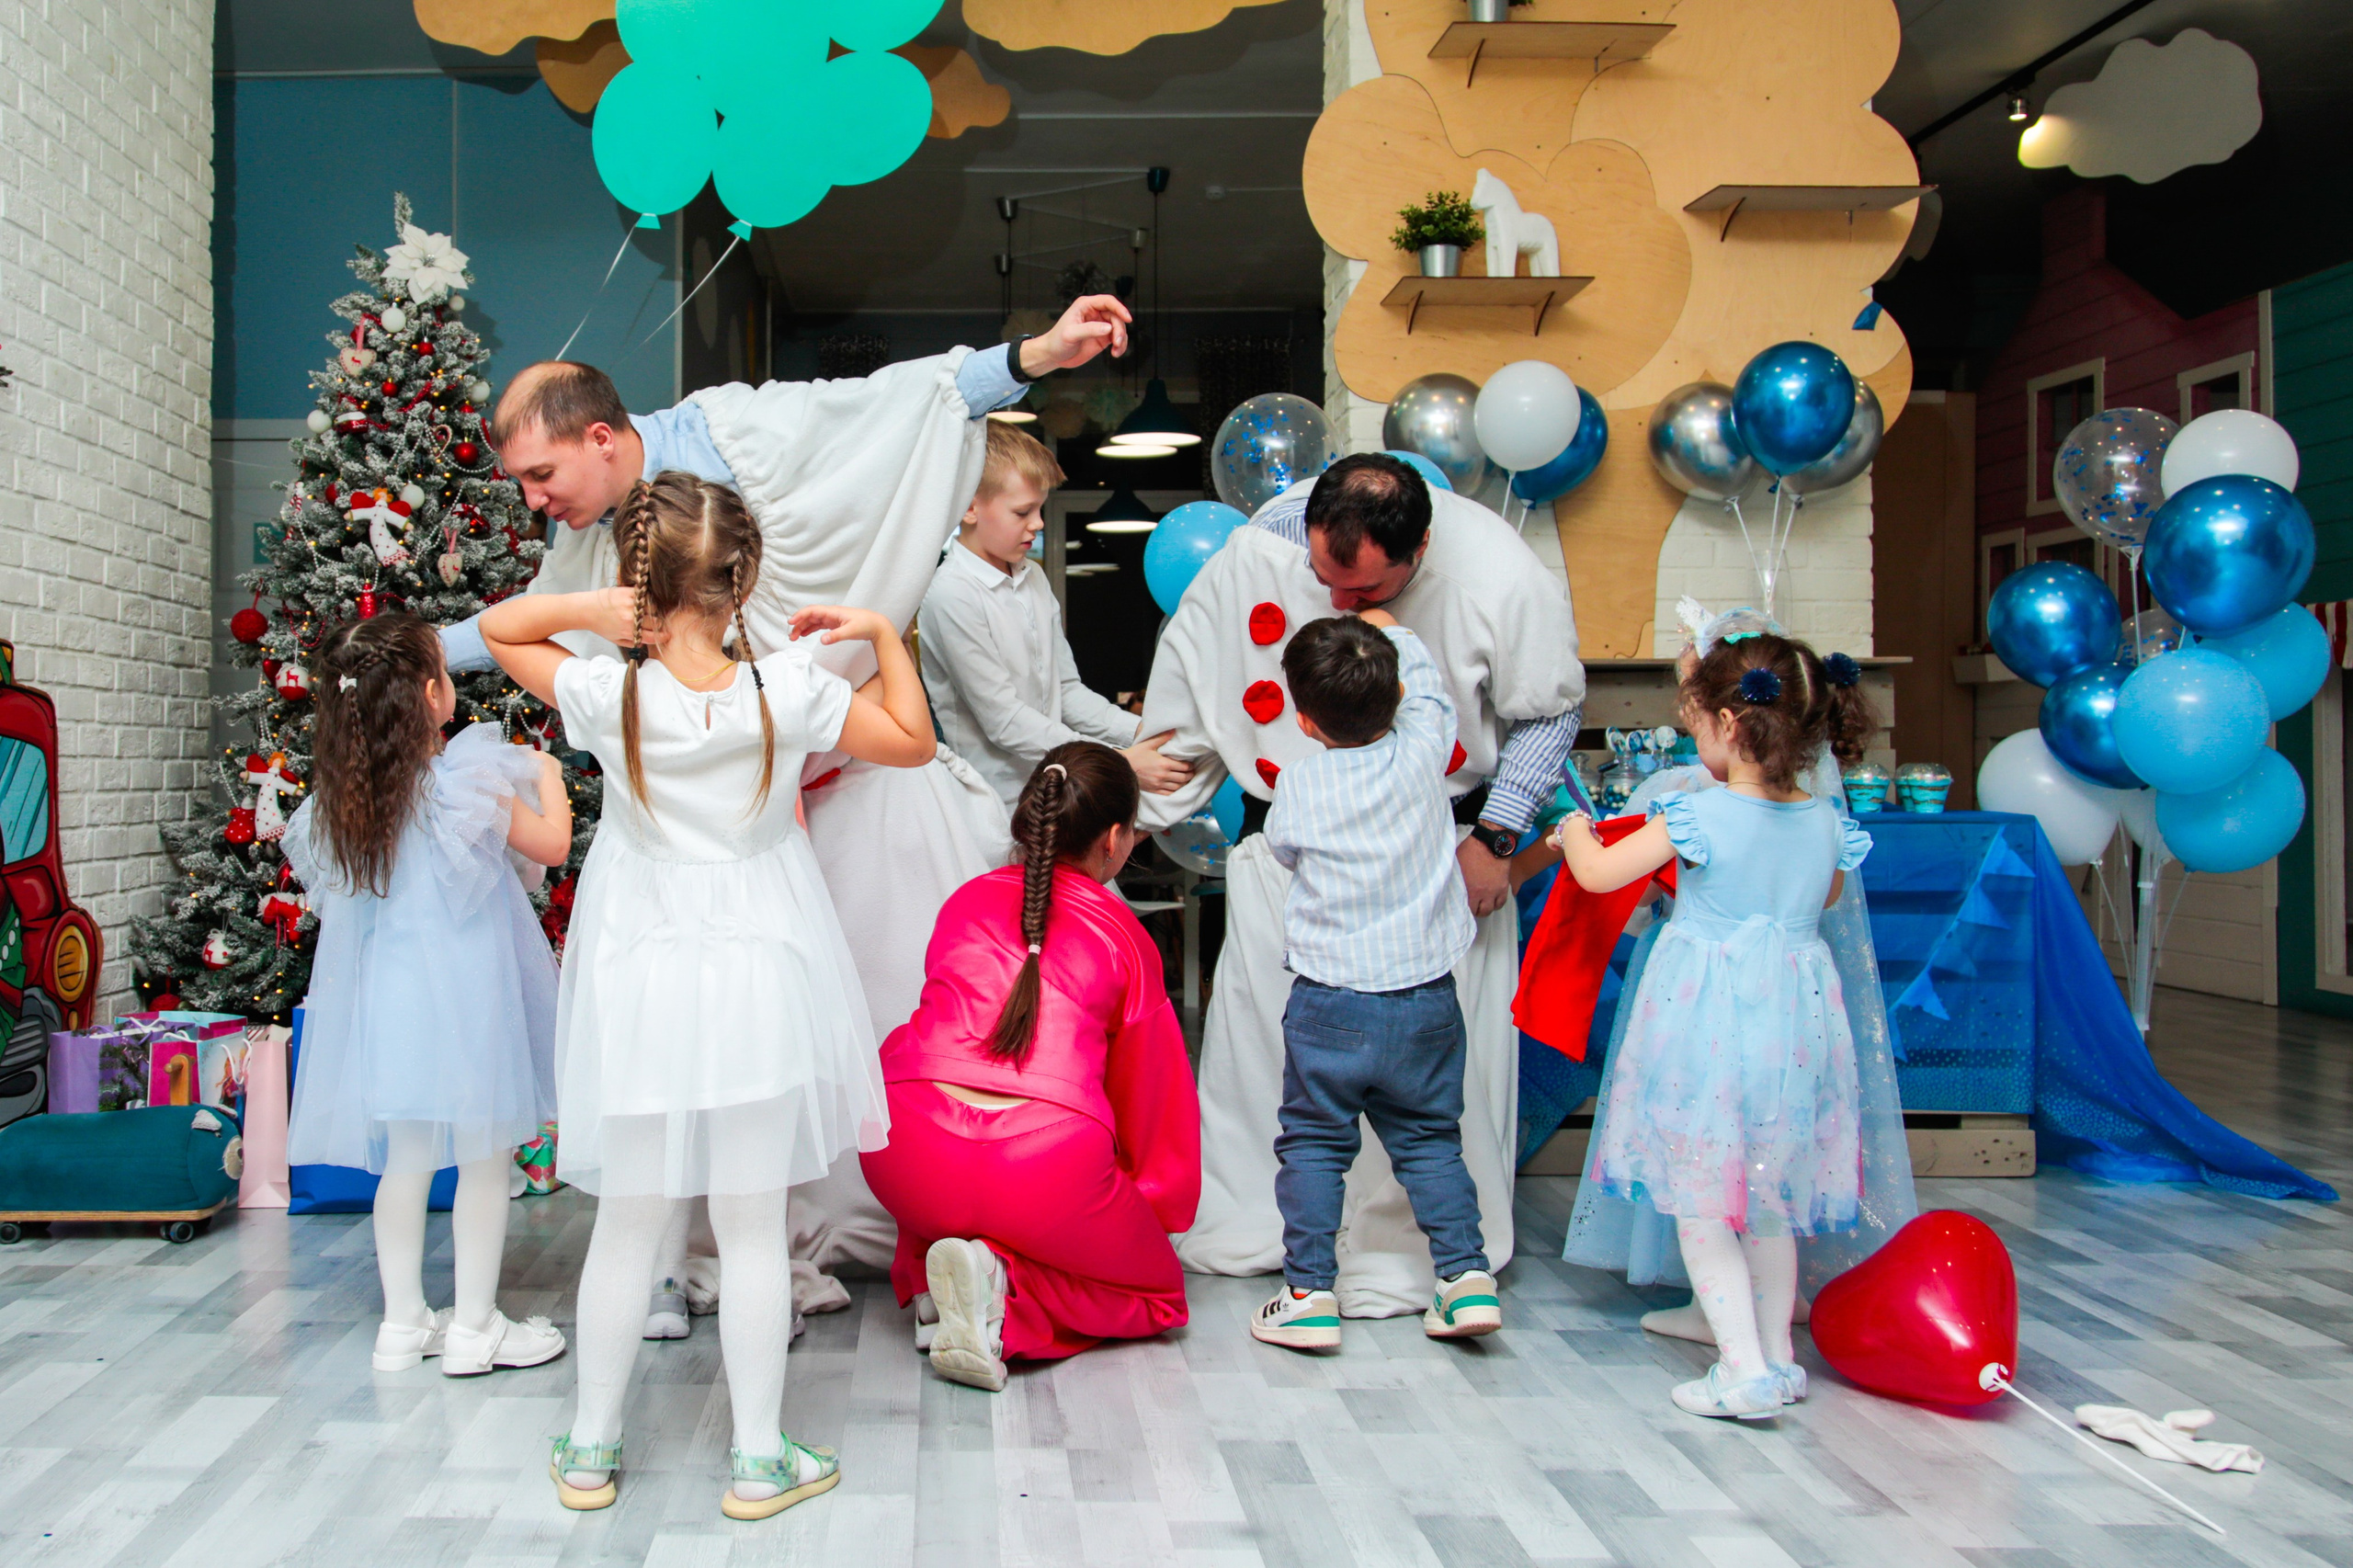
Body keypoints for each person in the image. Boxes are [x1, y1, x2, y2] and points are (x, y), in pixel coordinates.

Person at [480, 473, 938, 1518]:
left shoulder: (610, 693)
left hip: (643, 972)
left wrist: (590, 614)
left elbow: (502, 628)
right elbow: (912, 739)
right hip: (761, 971)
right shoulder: (791, 689)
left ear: (640, 578)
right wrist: (881, 631)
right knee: (748, 1223)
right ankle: (758, 1456)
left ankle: (591, 1449)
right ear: (743, 580)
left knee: (628, 1224)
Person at [1136, 454, 1584, 1315]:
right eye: (1324, 582)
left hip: (1447, 847)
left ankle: (1340, 1274)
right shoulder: (1270, 539)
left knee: (1331, 1123)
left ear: (1420, 548)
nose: (1341, 605)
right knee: (1407, 1119)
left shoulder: (1499, 576)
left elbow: (1550, 709)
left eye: (1365, 589)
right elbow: (1210, 649)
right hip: (1392, 941)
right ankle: (1441, 1270)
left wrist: (1496, 836)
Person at [1546, 601, 1917, 1343]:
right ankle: (1774, 1350)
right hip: (1793, 1033)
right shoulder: (1824, 823)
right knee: (1771, 1200)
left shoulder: (1698, 815)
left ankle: (1741, 1362)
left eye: (1696, 725)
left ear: (1727, 723)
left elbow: (1598, 875)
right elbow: (1828, 894)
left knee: (1703, 1200)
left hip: (1707, 1027)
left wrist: (1574, 831)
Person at [282, 610, 571, 1378]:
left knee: (405, 1162)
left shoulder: (340, 804)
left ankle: (403, 1323)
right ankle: (475, 1327)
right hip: (472, 1003)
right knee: (482, 1156)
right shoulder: (466, 781)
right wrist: (548, 779)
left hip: (390, 1009)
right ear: (434, 696)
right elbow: (552, 845)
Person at [860, 743, 1199, 1392]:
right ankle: (1002, 1293)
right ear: (1115, 838)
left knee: (933, 1119)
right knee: (1161, 1299)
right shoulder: (1125, 936)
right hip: (1044, 1163)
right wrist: (1147, 1211)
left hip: (900, 1142)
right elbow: (1153, 1108)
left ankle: (942, 1275)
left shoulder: (964, 900)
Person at [1251, 611, 1501, 1350]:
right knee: (1429, 1141)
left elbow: (1285, 850)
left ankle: (1308, 1294)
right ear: (1394, 696)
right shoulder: (1424, 752)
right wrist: (1401, 632)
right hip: (1424, 997)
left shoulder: (1301, 783)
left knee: (1315, 1146)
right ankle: (1463, 1280)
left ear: (1302, 718)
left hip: (1330, 1001)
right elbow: (1435, 700)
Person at [919, 420, 1190, 807]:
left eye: (1040, 508)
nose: (1039, 523)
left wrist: (1144, 732)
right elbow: (1005, 721)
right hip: (993, 804)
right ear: (969, 507)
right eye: (1022, 511)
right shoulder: (951, 593)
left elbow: (1066, 691)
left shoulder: (1034, 577)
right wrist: (1120, 762)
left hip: (1054, 789)